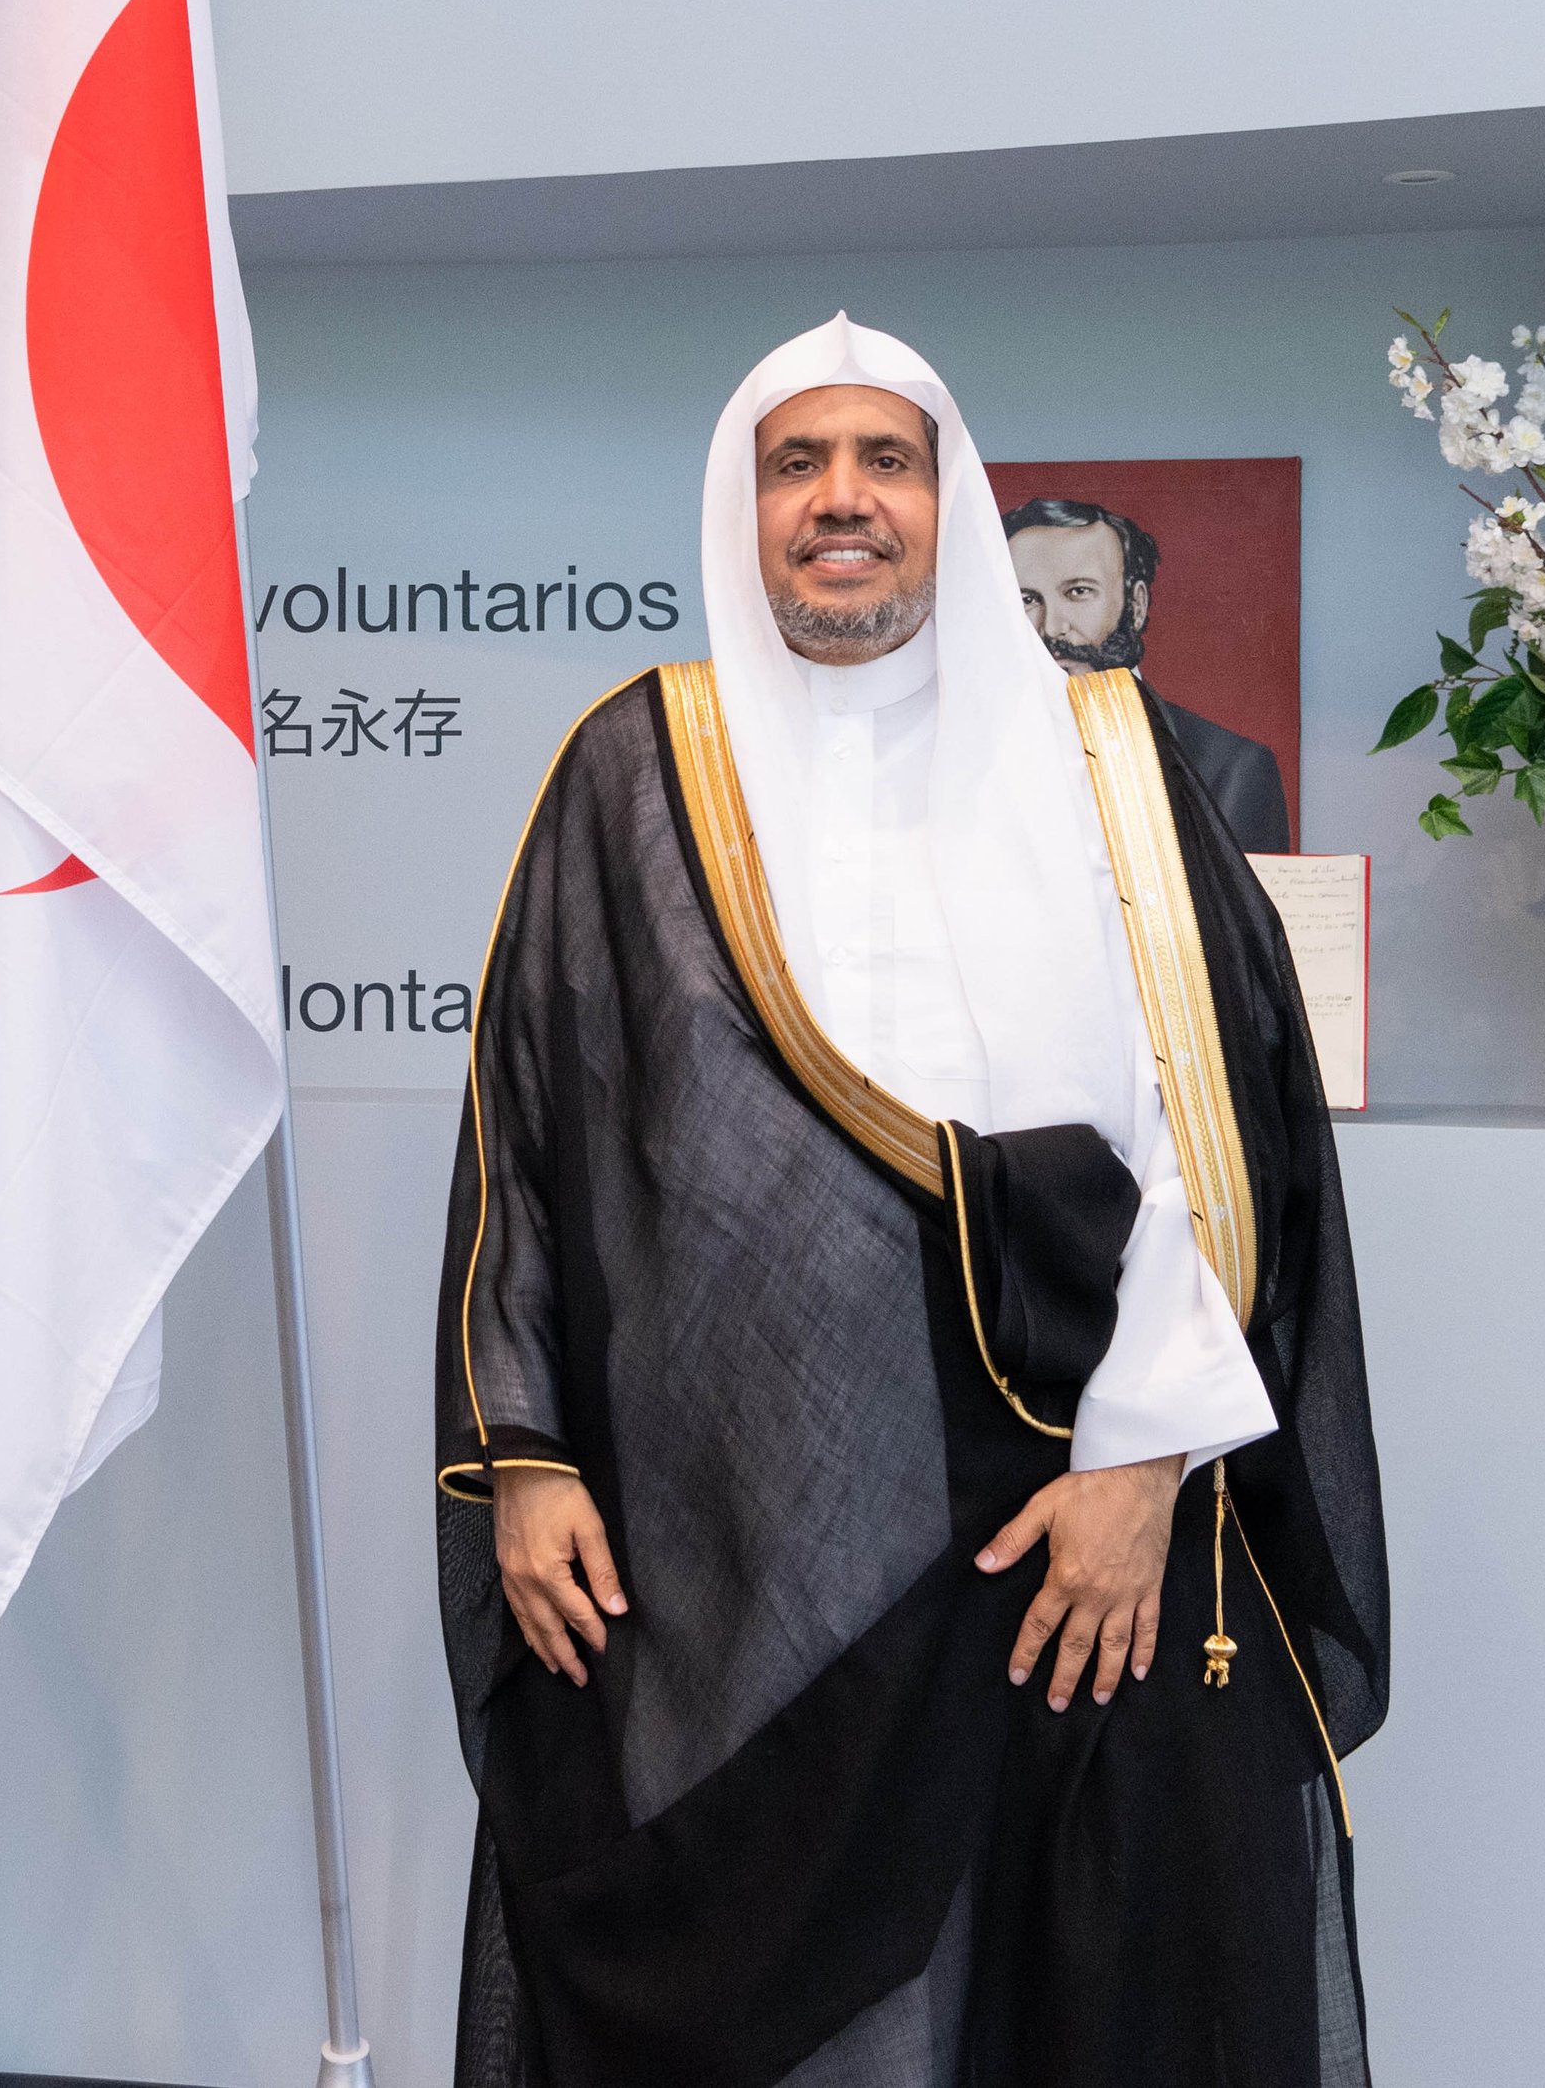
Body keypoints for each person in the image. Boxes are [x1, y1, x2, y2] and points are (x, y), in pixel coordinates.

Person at [436, 319, 1385, 2088]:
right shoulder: (639, 767)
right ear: (744, 511)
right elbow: (527, 1127)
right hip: (716, 1538)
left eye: (887, 459)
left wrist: (1143, 1458)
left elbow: (1217, 1126)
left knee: (1071, 1991)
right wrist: (530, 1449)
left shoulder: (1106, 760)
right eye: (798, 464)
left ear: (953, 503)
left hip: (1061, 1505)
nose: (842, 500)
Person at [1003, 494, 1294, 852]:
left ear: (1136, 605)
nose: (1053, 627)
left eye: (1079, 592)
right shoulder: (971, 754)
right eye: (1027, 599)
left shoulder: (1229, 767)